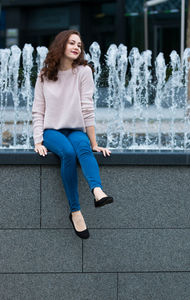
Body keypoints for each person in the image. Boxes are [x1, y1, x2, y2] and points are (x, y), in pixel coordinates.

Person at [32, 30, 113, 239]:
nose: (77, 47)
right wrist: (38, 140)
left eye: (79, 44)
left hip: (75, 129)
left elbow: (87, 108)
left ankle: (97, 191)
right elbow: (38, 110)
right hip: (51, 131)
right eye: (72, 43)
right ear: (61, 45)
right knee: (68, 153)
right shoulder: (44, 74)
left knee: (83, 147)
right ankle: (75, 211)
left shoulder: (84, 72)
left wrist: (95, 143)